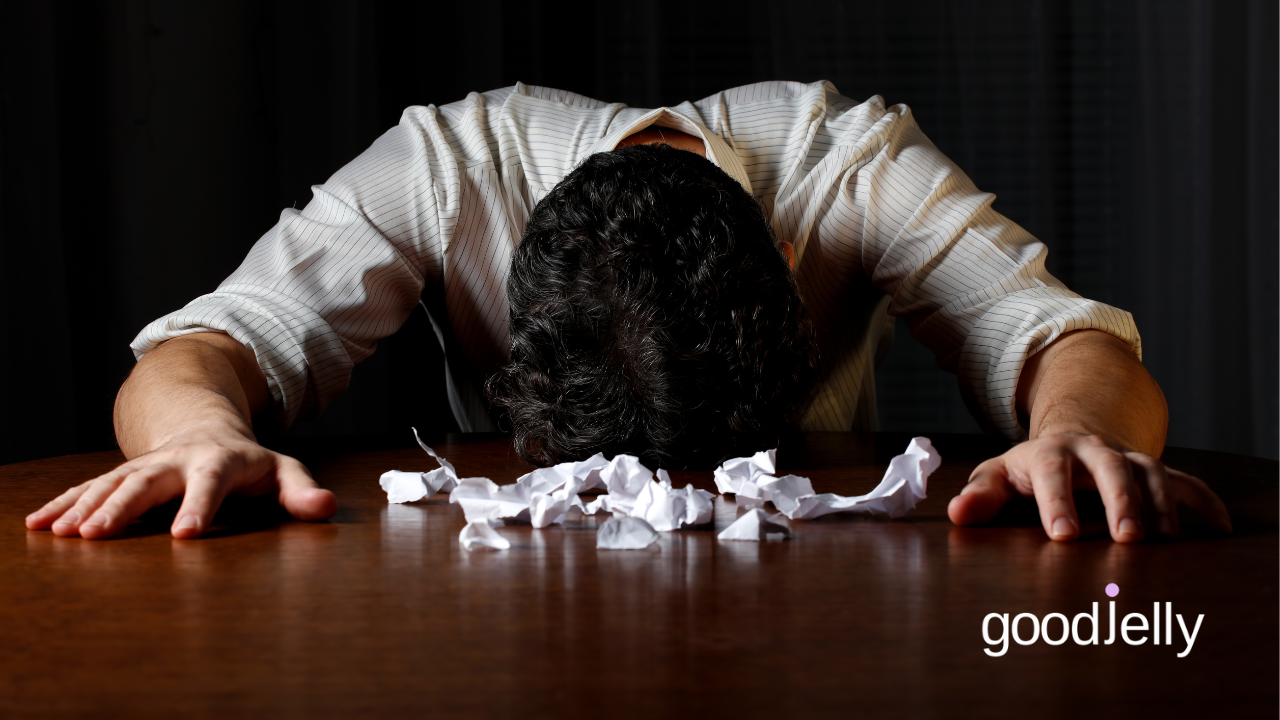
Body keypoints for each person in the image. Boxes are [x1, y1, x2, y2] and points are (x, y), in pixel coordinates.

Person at [25, 81, 1230, 543]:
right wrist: (196, 431)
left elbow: (1056, 334)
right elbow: (209, 344)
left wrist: (1076, 424)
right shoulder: (445, 168)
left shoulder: (848, 166)